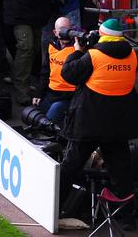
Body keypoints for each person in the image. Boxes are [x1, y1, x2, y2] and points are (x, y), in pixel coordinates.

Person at [58, 19, 138, 217]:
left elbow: (68, 74)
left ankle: (54, 209)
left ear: (102, 35)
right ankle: (126, 218)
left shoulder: (94, 55)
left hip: (88, 124)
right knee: (121, 174)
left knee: (69, 168)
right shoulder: (133, 55)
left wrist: (77, 51)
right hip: (118, 127)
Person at [35, 16, 76, 126]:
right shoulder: (51, 44)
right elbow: (45, 71)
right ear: (55, 32)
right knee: (34, 117)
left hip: (68, 95)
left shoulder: (77, 48)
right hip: (51, 93)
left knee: (48, 123)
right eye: (62, 30)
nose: (66, 33)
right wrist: (39, 93)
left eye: (68, 30)